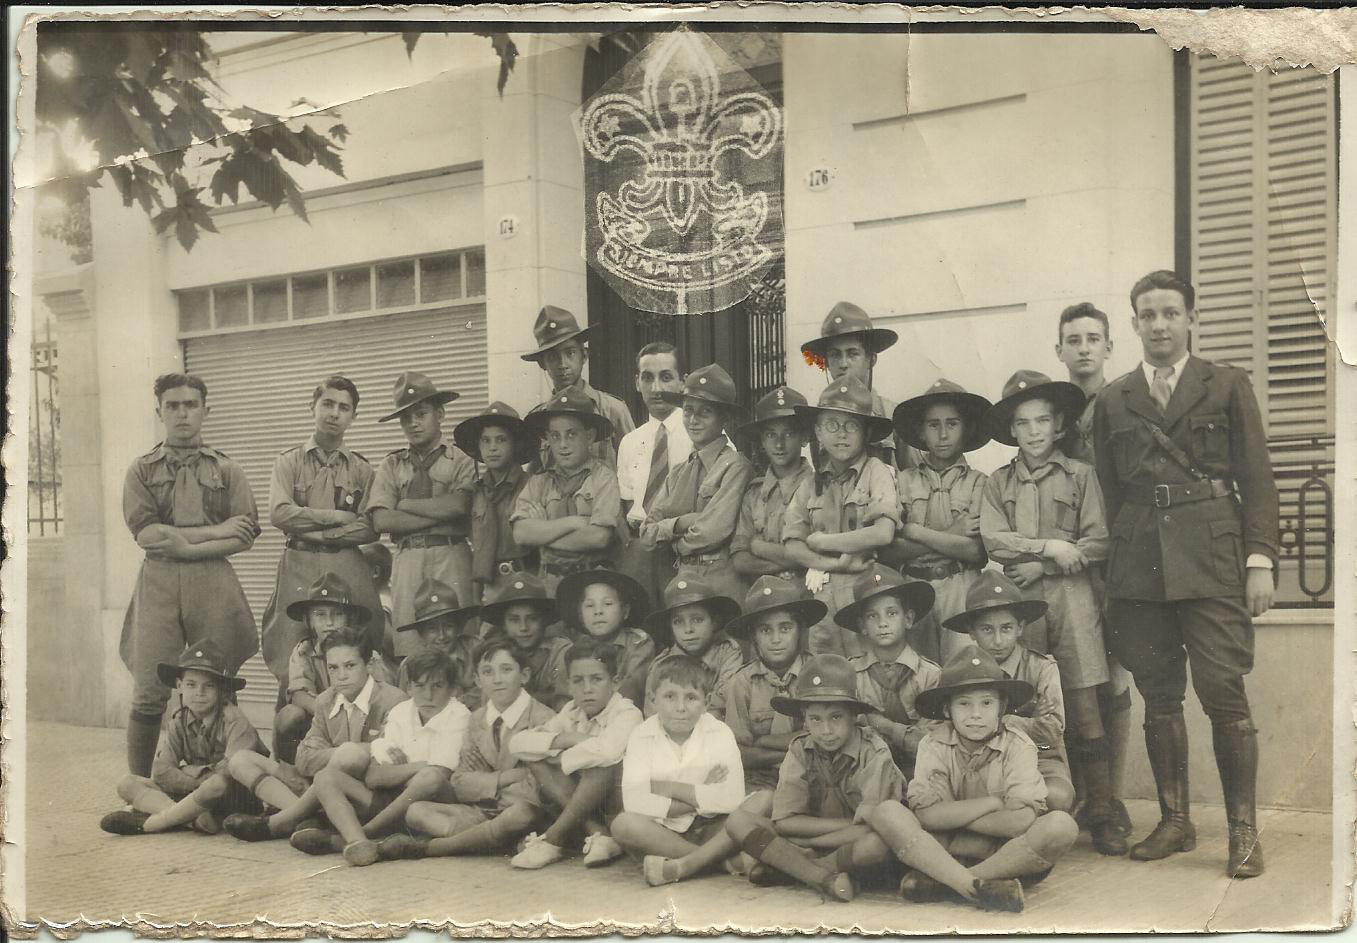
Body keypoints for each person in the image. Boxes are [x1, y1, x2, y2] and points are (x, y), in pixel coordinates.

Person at [1092, 270, 1279, 878]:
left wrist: (1259, 561)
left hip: (1214, 562)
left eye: (1171, 313)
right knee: (1159, 696)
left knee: (1225, 696)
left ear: (1191, 319)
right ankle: (1175, 821)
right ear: (1135, 324)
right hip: (1142, 565)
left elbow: (1257, 480)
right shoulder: (1114, 400)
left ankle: (1243, 831)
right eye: (1148, 315)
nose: (1160, 325)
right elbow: (1112, 489)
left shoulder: (1226, 386)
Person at [979, 370, 1125, 857]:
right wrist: (1050, 547)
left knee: (1084, 705)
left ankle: (1102, 810)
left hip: (1073, 601)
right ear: (1012, 431)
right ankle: (1041, 805)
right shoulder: (999, 482)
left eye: (1043, 420)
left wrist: (1040, 563)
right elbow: (994, 539)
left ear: (1060, 425)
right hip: (1022, 610)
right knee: (1026, 703)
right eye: (1024, 423)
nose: (1035, 430)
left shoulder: (1081, 477)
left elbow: (1097, 541)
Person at [121, 373, 260, 777]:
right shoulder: (141, 470)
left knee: (219, 680)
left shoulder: (227, 469)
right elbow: (148, 535)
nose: (182, 414)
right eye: (173, 406)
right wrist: (214, 531)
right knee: (149, 688)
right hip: (160, 582)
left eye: (191, 405)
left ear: (205, 410)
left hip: (213, 580)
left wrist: (184, 543)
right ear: (160, 411)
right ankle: (141, 786)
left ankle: (227, 782)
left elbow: (246, 533)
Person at [869, 645, 1078, 913]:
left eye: (987, 703)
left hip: (1003, 855)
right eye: (964, 703)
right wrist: (993, 803)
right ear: (947, 710)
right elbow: (926, 817)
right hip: (943, 850)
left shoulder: (1019, 745)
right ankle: (978, 886)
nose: (976, 714)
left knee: (1061, 825)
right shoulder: (932, 744)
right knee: (886, 812)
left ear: (1002, 707)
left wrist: (949, 811)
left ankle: (950, 884)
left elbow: (1020, 822)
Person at [724, 653, 901, 903]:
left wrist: (810, 841)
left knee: (876, 843)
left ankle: (797, 868)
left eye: (836, 717)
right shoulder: (799, 749)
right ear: (804, 720)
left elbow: (872, 825)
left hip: (845, 843)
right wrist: (810, 836)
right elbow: (785, 822)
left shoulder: (874, 751)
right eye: (815, 719)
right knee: (738, 821)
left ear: (854, 716)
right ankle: (823, 877)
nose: (826, 730)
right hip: (817, 836)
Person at [1054, 302, 1135, 840]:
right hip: (1067, 567)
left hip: (1121, 558)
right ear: (1058, 349)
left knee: (1118, 675)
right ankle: (1087, 796)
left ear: (1109, 347)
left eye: (1093, 338)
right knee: (1074, 679)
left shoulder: (1126, 403)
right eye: (1073, 339)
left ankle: (1114, 796)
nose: (1083, 348)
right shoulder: (1050, 415)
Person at [260, 376, 383, 727]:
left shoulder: (361, 468)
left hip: (346, 565)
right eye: (327, 404)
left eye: (344, 407)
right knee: (290, 658)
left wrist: (323, 532)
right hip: (298, 562)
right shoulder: (289, 461)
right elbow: (279, 513)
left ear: (353, 415)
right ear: (312, 407)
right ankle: (286, 750)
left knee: (356, 644)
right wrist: (336, 518)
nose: (334, 413)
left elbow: (370, 526)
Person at [222, 627, 410, 843]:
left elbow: (386, 764)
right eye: (333, 668)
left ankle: (282, 821)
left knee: (351, 754)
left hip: (367, 797)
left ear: (368, 665)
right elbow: (304, 759)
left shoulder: (394, 701)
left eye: (350, 666)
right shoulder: (326, 700)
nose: (341, 676)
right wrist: (348, 754)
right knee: (241, 760)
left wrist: (349, 754)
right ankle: (308, 815)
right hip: (323, 788)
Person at [287, 650, 470, 867]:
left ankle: (365, 833)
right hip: (390, 800)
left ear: (452, 689)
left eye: (437, 686)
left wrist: (403, 771)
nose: (428, 695)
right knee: (326, 777)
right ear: (409, 688)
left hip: (432, 805)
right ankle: (359, 843)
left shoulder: (458, 714)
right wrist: (418, 767)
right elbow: (375, 777)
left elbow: (440, 775)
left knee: (429, 777)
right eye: (420, 686)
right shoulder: (401, 711)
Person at [396, 638, 556, 858]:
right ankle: (498, 841)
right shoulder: (477, 719)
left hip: (524, 811)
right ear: (477, 680)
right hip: (482, 812)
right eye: (488, 672)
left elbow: (537, 788)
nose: (497, 680)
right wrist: (504, 778)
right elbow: (460, 783)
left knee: (520, 814)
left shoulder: (542, 718)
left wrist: (485, 783)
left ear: (524, 675)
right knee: (416, 811)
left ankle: (442, 847)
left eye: (506, 670)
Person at [940, 572, 1075, 819]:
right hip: (979, 756)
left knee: (1057, 796)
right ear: (971, 632)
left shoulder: (1042, 668)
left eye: (1007, 628)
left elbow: (1051, 733)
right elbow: (952, 727)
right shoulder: (960, 672)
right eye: (987, 630)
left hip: (1039, 753)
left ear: (1021, 627)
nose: (998, 640)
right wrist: (1029, 721)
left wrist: (1001, 723)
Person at [784, 376, 902, 658]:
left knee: (869, 665)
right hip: (822, 593)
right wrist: (834, 563)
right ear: (818, 432)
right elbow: (792, 544)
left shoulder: (877, 472)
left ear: (866, 432)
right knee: (825, 665)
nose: (841, 434)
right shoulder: (810, 484)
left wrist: (825, 541)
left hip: (866, 594)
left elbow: (883, 533)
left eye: (851, 426)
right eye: (831, 426)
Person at [100, 641, 267, 837]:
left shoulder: (235, 721)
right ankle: (193, 820)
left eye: (209, 686)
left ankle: (157, 821)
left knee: (217, 784)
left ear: (221, 690)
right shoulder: (179, 720)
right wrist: (196, 783)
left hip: (235, 797)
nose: (199, 692)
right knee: (127, 784)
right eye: (191, 684)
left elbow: (228, 775)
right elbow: (162, 771)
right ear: (179, 686)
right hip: (196, 796)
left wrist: (188, 772)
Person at [507, 638, 645, 870]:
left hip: (618, 805)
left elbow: (607, 753)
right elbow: (518, 743)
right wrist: (568, 739)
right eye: (578, 681)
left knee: (601, 766)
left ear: (616, 682)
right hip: (586, 803)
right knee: (539, 762)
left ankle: (554, 837)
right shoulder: (571, 712)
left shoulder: (627, 712)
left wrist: (557, 756)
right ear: (569, 685)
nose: (587, 689)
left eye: (597, 679)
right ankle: (596, 832)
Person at [609, 655, 746, 887]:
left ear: (707, 701)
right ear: (653, 700)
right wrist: (702, 790)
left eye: (691, 697)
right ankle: (715, 861)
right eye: (670, 696)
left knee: (760, 804)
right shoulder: (642, 735)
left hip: (713, 827)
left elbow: (732, 798)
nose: (680, 708)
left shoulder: (719, 732)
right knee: (623, 824)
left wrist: (666, 787)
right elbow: (635, 802)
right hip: (662, 832)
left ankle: (686, 862)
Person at [367, 371, 476, 660]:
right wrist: (440, 512)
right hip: (409, 559)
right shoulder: (392, 465)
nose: (413, 423)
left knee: (460, 642)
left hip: (451, 556)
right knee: (411, 645)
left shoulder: (462, 460)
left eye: (421, 413)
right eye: (406, 417)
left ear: (439, 414)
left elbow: (460, 506)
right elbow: (381, 520)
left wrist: (404, 505)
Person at [883, 379, 992, 665]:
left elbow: (976, 552)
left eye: (952, 424)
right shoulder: (901, 482)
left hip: (962, 589)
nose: (943, 434)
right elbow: (887, 550)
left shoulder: (980, 483)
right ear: (920, 430)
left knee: (964, 672)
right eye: (933, 425)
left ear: (966, 428)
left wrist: (915, 531)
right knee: (917, 677)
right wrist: (952, 535)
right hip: (912, 589)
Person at [638, 364, 755, 603]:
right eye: (688, 410)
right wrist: (683, 522)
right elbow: (647, 532)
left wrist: (674, 541)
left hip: (721, 577)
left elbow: (713, 531)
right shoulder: (679, 472)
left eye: (705, 412)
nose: (693, 420)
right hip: (681, 576)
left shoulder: (735, 466)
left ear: (724, 418)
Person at [511, 388, 622, 596]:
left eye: (571, 434)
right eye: (555, 436)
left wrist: (542, 533)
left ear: (589, 436)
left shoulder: (603, 478)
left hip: (592, 585)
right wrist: (576, 522)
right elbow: (521, 534)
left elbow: (599, 537)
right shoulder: (539, 482)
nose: (563, 445)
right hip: (549, 585)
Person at [274, 573, 393, 764]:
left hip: (359, 720)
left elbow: (382, 696)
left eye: (337, 614)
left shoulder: (365, 653)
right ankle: (289, 770)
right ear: (309, 621)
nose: (329, 622)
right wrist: (329, 714)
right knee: (290, 715)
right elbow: (299, 693)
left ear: (349, 618)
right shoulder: (304, 651)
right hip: (319, 720)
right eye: (320, 615)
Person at [722, 576, 826, 791]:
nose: (776, 639)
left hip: (816, 776)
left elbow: (823, 741)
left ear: (801, 630)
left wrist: (762, 742)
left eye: (785, 628)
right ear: (753, 637)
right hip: (760, 781)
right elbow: (738, 754)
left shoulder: (819, 673)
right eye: (765, 630)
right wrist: (791, 749)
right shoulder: (741, 683)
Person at [838, 564, 940, 773]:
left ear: (908, 619)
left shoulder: (931, 675)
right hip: (866, 773)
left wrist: (882, 725)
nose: (882, 623)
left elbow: (928, 744)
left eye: (892, 613)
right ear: (862, 626)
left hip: (922, 771)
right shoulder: (850, 675)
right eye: (872, 616)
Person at [798, 301, 921, 470]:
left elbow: (914, 481)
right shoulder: (820, 418)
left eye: (852, 354)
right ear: (826, 363)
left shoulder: (895, 416)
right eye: (835, 355)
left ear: (871, 359)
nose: (843, 363)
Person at [616, 342, 692, 605]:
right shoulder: (630, 442)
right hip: (641, 552)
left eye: (666, 377)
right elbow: (629, 505)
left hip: (684, 550)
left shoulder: (700, 434)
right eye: (648, 378)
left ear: (683, 382)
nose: (656, 388)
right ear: (637, 382)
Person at [520, 305, 634, 467]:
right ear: (542, 364)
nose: (563, 364)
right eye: (553, 357)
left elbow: (636, 468)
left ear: (584, 355)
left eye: (570, 353)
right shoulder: (539, 419)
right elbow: (535, 478)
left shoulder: (613, 410)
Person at [453, 401, 537, 605]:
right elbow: (478, 549)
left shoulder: (532, 486)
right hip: (491, 585)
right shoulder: (476, 492)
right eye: (485, 441)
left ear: (516, 444)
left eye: (501, 440)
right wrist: (476, 601)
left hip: (527, 579)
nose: (492, 448)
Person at [730, 387, 814, 587]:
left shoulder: (819, 488)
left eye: (789, 434)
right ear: (761, 440)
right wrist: (784, 566)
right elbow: (740, 561)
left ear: (804, 437)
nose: (779, 444)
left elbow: (816, 555)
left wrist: (757, 546)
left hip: (804, 593)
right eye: (770, 435)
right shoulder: (753, 493)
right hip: (761, 595)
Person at [641, 576, 745, 719]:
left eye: (697, 620)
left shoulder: (727, 653)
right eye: (678, 622)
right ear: (670, 627)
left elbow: (725, 702)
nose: (688, 629)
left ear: (714, 622)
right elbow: (653, 715)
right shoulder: (661, 665)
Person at [556, 569, 655, 707]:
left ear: (625, 611)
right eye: (590, 605)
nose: (598, 611)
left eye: (607, 604)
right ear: (580, 615)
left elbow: (632, 689)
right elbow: (564, 697)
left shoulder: (638, 643)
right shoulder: (574, 649)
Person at [478, 572, 573, 709]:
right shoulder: (495, 654)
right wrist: (546, 697)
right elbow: (490, 705)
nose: (523, 628)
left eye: (532, 618)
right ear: (503, 624)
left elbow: (565, 705)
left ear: (544, 620)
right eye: (514, 620)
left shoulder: (560, 651)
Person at [393, 577, 481, 710]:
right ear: (421, 633)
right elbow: (405, 707)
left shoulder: (476, 650)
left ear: (458, 626)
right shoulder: (410, 666)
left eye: (448, 626)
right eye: (432, 629)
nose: (441, 636)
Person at [360, 542, 398, 665]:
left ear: (375, 572)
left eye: (359, 569)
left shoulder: (379, 604)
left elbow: (390, 642)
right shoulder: (394, 595)